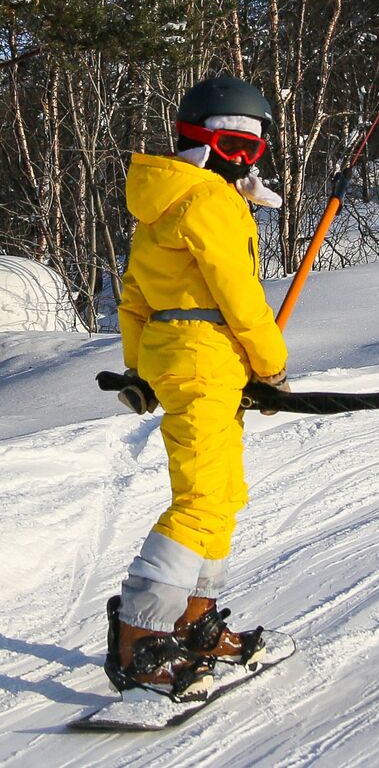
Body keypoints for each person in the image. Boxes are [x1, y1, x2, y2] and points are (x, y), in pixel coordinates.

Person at [109, 75, 289, 699]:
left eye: (254, 151)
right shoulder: (210, 202)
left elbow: (133, 295)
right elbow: (239, 295)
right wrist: (271, 365)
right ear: (206, 141)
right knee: (203, 498)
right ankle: (139, 633)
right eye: (236, 147)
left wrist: (140, 369)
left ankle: (196, 620)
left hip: (179, 354)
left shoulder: (163, 200)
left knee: (223, 490)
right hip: (205, 354)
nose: (244, 163)